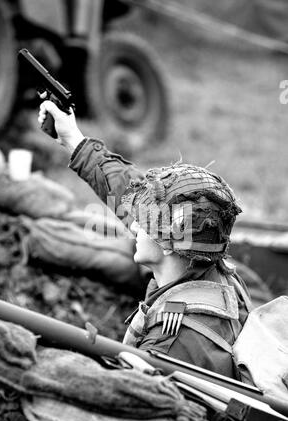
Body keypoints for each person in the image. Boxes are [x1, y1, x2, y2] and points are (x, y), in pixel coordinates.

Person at [38, 102, 252, 380]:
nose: (134, 224)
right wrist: (74, 140)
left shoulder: (172, 345)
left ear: (167, 243)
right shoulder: (203, 254)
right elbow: (124, 189)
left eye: (144, 221)